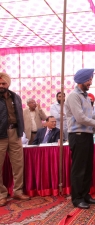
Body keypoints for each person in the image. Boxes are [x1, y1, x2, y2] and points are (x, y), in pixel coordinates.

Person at [65, 68, 95, 209]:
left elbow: (86, 115)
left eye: (91, 79)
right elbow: (80, 118)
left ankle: (85, 195)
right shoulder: (74, 96)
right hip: (78, 135)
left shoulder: (85, 96)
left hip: (87, 135)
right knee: (79, 168)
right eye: (88, 80)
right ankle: (77, 198)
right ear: (81, 80)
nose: (90, 82)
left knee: (87, 168)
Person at [0, 72, 30, 207]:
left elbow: (19, 115)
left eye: (3, 83)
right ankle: (1, 194)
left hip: (15, 133)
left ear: (8, 84)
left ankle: (18, 191)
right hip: (0, 135)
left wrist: (21, 130)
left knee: (18, 164)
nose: (1, 86)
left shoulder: (15, 97)